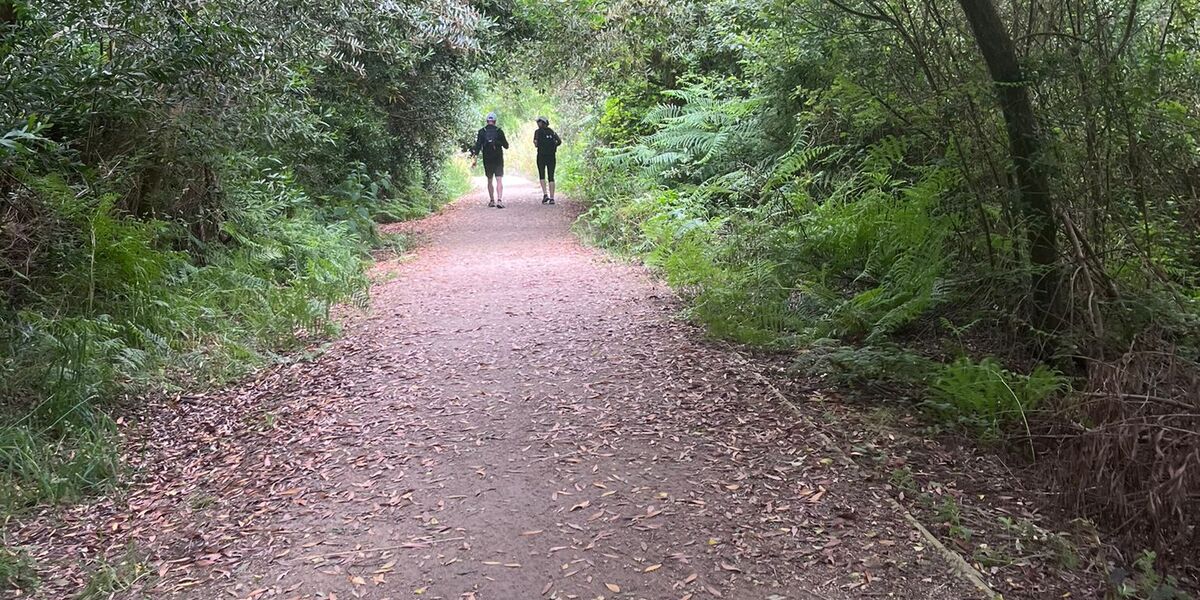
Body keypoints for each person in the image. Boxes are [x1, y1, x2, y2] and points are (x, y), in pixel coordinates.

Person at [471, 112, 510, 208]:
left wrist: (474, 160)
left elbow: (478, 146)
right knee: (499, 179)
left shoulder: (482, 131)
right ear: (495, 121)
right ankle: (499, 200)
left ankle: (492, 200)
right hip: (498, 158)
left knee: (489, 180)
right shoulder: (499, 131)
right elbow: (506, 146)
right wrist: (499, 142)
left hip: (487, 158)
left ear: (487, 121)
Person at [533, 116, 562, 204]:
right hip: (551, 156)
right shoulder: (552, 131)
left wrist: (540, 145)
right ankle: (552, 198)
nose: (538, 123)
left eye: (539, 122)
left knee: (542, 175)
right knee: (551, 176)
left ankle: (545, 194)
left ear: (542, 123)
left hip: (541, 156)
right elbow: (559, 141)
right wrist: (553, 146)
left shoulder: (537, 132)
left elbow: (535, 144)